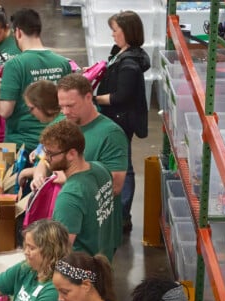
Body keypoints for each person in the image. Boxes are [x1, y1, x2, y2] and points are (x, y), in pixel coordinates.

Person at [0, 8, 72, 155]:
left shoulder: (14, 65)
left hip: (22, 145)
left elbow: (5, 111)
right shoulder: (63, 63)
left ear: (18, 32)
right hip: (55, 143)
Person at [95, 10, 150, 233]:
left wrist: (93, 98)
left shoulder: (129, 64)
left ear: (127, 32)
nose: (112, 35)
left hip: (121, 120)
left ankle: (123, 215)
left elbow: (121, 97)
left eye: (115, 31)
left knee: (123, 166)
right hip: (116, 118)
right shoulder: (121, 52)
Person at [39, 120, 119, 261]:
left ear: (71, 154)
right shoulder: (100, 169)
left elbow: (59, 253)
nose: (46, 158)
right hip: (103, 268)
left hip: (79, 275)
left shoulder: (69, 197)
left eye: (50, 153)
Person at [16, 80, 60, 184]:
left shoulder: (57, 128)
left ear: (43, 105)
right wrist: (38, 150)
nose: (30, 113)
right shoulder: (56, 123)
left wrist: (26, 172)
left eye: (31, 108)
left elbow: (54, 169)